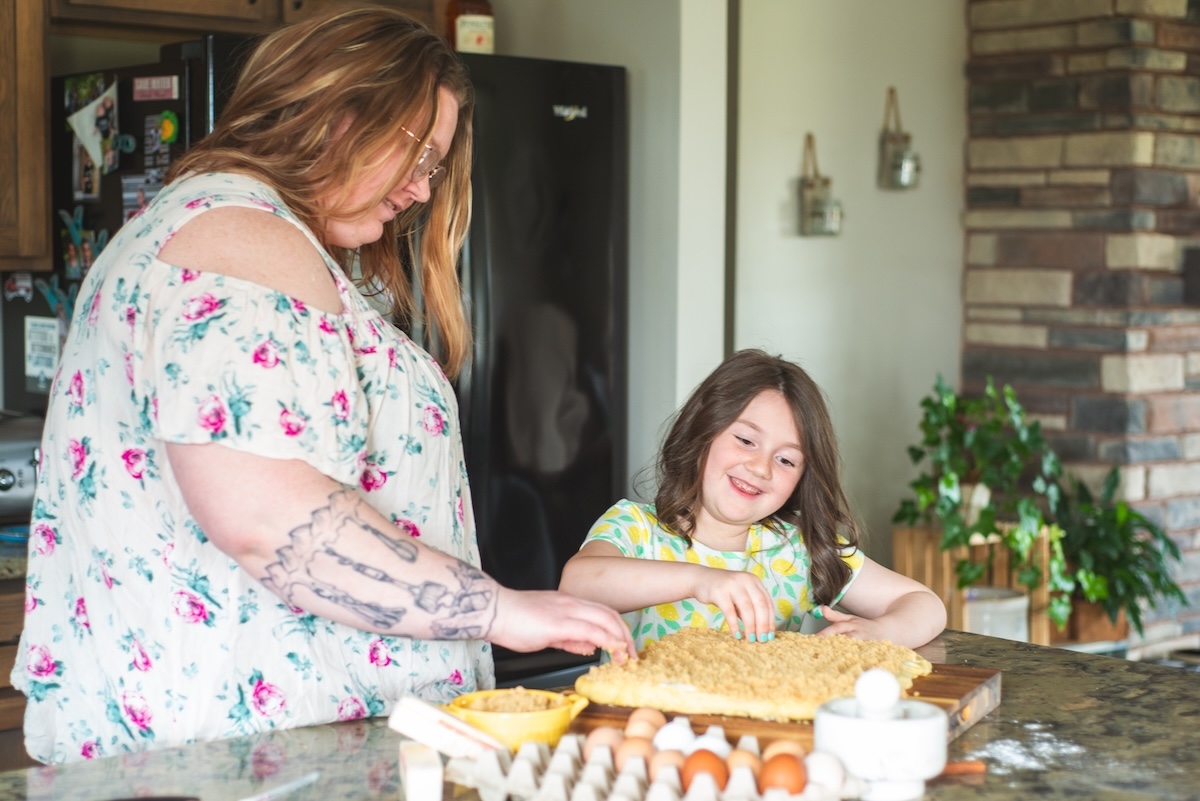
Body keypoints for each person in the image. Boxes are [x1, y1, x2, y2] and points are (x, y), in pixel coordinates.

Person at [13, 4, 633, 765]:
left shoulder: (232, 231)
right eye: (417, 153)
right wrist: (501, 609)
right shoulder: (240, 239)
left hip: (268, 751)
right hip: (234, 761)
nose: (421, 189)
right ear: (338, 113)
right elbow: (268, 519)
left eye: (435, 167)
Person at [559, 349, 946, 652]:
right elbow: (575, 587)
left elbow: (924, 603)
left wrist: (881, 631)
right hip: (645, 743)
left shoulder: (797, 553)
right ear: (702, 431)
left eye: (786, 459)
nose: (760, 468)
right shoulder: (636, 529)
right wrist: (700, 580)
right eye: (745, 440)